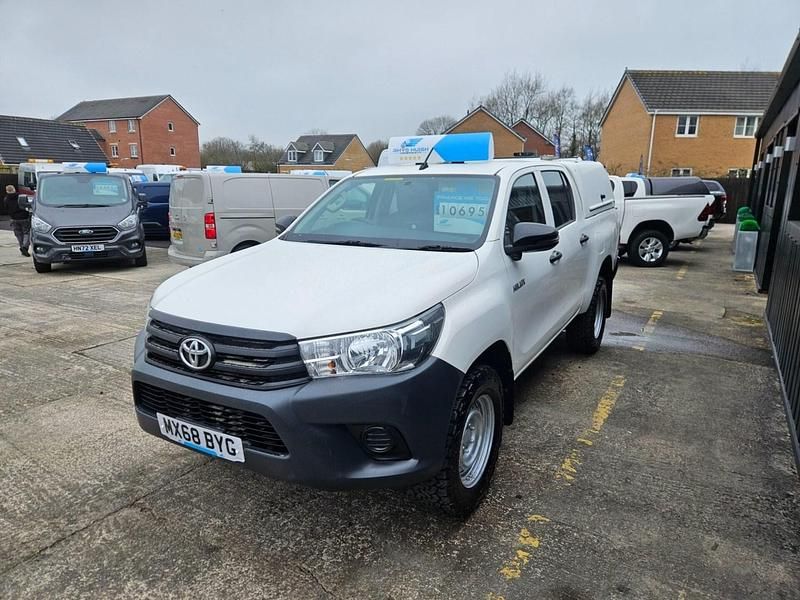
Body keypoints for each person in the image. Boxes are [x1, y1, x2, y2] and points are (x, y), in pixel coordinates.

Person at [4, 184, 31, 256]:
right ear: (14, 189)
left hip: (13, 219)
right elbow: (27, 205)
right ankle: (25, 247)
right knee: (27, 233)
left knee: (19, 235)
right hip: (24, 217)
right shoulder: (21, 196)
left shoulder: (6, 199)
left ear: (7, 191)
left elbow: (6, 209)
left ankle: (22, 247)